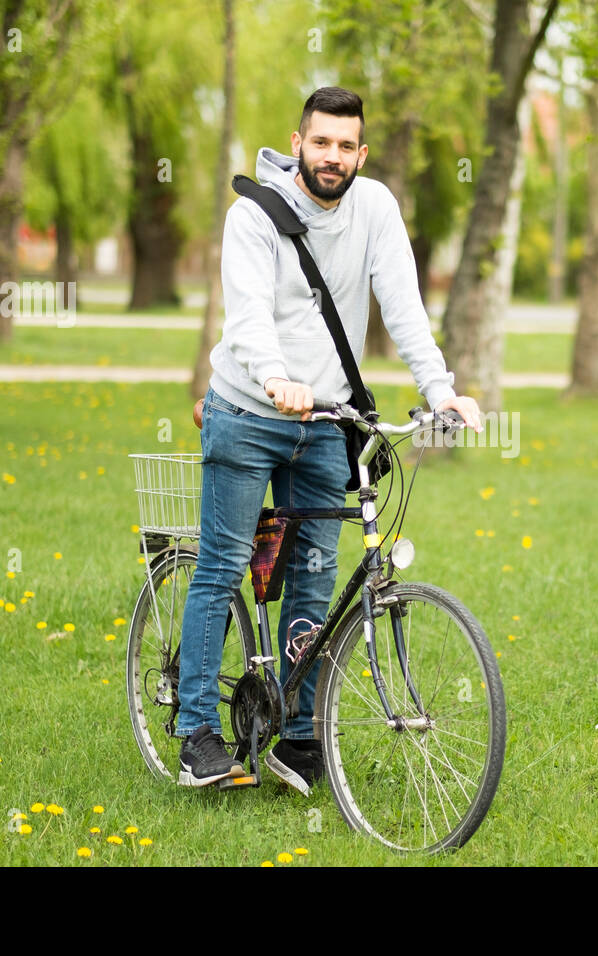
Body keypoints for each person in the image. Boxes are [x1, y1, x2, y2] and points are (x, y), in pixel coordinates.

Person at [176, 87, 483, 792]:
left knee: (315, 574)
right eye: (322, 143)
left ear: (362, 153)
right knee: (224, 565)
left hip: (326, 423)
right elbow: (249, 314)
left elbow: (403, 305)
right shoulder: (253, 214)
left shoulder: (375, 208)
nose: (333, 158)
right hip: (250, 412)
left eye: (347, 147)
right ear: (299, 143)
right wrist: (278, 378)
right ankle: (198, 732)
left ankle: (295, 732)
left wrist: (439, 390)